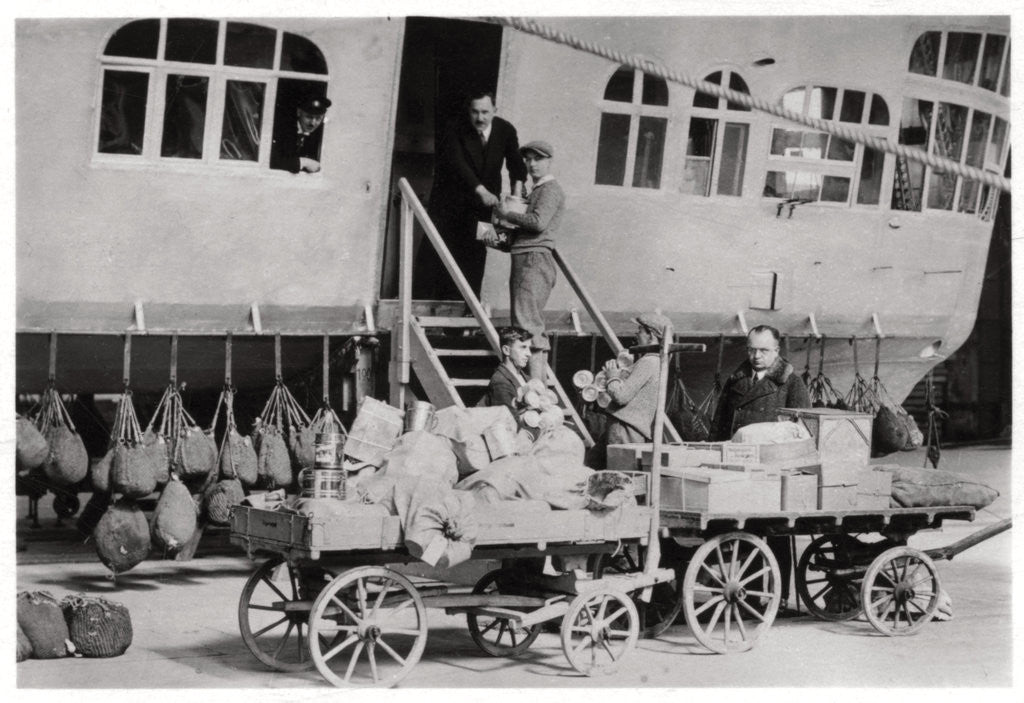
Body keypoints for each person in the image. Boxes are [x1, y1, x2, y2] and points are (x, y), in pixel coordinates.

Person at [710, 324, 810, 614]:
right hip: (738, 464)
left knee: (776, 534)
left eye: (763, 350)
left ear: (777, 351)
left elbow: (799, 432)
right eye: (752, 349)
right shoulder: (737, 379)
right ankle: (750, 596)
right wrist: (716, 452)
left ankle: (778, 597)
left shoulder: (791, 383)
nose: (756, 356)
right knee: (747, 532)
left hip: (773, 471)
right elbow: (720, 422)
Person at [417, 90, 527, 300]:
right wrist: (482, 190)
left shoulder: (506, 130)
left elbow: (516, 165)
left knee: (477, 252)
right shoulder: (455, 128)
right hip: (451, 204)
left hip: (483, 209)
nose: (480, 118)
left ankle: (469, 310)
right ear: (469, 111)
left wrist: (516, 197)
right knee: (443, 252)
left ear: (495, 110)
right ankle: (437, 305)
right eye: (475, 112)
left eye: (485, 112)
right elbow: (459, 164)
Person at [493, 140, 563, 381]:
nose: (532, 164)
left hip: (533, 260)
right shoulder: (535, 190)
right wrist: (490, 232)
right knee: (526, 323)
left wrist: (506, 213)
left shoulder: (550, 189)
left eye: (538, 159)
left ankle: (536, 388)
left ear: (549, 161)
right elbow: (520, 235)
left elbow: (538, 223)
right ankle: (538, 386)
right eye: (528, 159)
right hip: (526, 257)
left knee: (527, 325)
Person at [600, 312, 672, 445]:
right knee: (593, 461)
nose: (636, 334)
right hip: (626, 426)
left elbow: (621, 397)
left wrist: (612, 377)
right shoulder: (657, 361)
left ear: (651, 335)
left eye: (640, 330)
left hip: (625, 428)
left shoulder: (648, 362)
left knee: (619, 464)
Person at [270, 94, 332, 173]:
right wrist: (303, 162)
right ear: (299, 112)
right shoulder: (282, 130)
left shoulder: (319, 136)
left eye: (318, 118)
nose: (313, 123)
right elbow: (271, 161)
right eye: (309, 117)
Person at [481, 326, 531, 412]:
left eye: (529, 348)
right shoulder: (500, 383)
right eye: (523, 347)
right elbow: (508, 421)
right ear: (506, 350)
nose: (529, 354)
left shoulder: (525, 377)